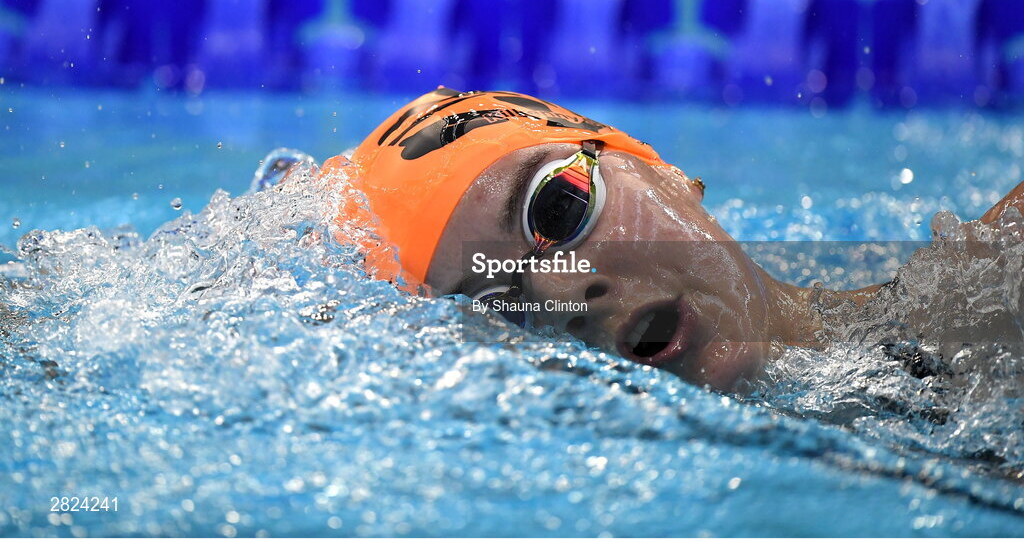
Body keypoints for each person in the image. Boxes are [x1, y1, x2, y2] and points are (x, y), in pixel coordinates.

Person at [313, 87, 1024, 393]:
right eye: (501, 306)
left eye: (557, 210)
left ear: (665, 170)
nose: (562, 297)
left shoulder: (1000, 288)